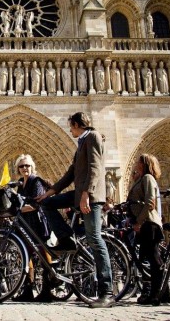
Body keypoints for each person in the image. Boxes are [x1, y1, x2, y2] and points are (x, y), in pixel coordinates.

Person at [37, 112, 114, 308]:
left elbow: (96, 167)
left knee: (94, 238)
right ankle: (66, 238)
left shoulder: (93, 136)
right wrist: (51, 192)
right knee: (48, 204)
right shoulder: (81, 143)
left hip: (91, 195)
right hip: (79, 193)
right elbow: (71, 173)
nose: (70, 130)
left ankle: (107, 292)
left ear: (79, 125)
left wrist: (87, 194)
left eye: (71, 126)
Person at [12, 154, 53, 302]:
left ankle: (47, 290)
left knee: (42, 254)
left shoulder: (36, 182)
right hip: (25, 223)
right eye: (22, 166)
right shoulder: (20, 184)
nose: (24, 168)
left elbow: (37, 204)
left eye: (27, 165)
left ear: (32, 167)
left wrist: (19, 210)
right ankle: (27, 290)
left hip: (37, 222)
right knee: (26, 255)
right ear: (18, 168)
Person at [127, 154, 163, 306]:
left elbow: (150, 203)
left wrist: (139, 222)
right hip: (143, 224)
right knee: (145, 259)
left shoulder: (148, 178)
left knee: (154, 260)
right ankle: (149, 292)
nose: (136, 163)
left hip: (149, 223)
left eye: (138, 161)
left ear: (144, 164)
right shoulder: (141, 179)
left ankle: (157, 294)